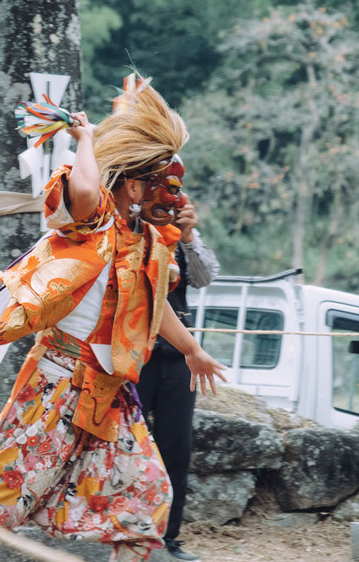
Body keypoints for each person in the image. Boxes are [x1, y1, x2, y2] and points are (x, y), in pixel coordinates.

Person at [0, 78, 227, 562]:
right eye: (165, 186)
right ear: (133, 185)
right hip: (58, 385)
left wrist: (192, 350)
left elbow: (152, 303)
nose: (175, 198)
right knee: (1, 501)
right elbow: (84, 186)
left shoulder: (146, 242)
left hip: (109, 394)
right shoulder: (93, 221)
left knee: (146, 500)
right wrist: (86, 139)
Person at [137, 200, 219, 562]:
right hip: (133, 353)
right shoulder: (126, 228)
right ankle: (125, 531)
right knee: (129, 445)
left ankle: (167, 538)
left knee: (176, 448)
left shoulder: (178, 234)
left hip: (179, 355)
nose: (165, 204)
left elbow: (204, 277)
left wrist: (187, 236)